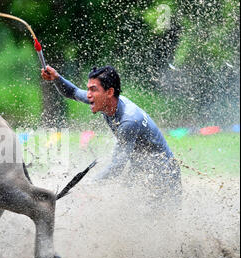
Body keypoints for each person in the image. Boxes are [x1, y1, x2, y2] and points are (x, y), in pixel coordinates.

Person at [41, 65, 182, 207]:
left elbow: (117, 166)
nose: (88, 94)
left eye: (93, 89)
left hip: (163, 176)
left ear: (109, 92)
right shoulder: (104, 101)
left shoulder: (128, 121)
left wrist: (88, 185)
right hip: (140, 170)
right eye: (88, 89)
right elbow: (73, 92)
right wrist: (56, 78)